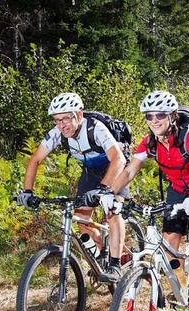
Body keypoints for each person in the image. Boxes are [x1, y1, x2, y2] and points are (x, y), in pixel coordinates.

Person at [98, 90, 189, 298]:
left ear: (172, 116)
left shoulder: (188, 137)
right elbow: (130, 170)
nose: (154, 120)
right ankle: (182, 289)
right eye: (149, 116)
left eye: (160, 115)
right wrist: (109, 192)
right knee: (169, 242)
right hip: (177, 190)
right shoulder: (149, 143)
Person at [16, 92, 128, 283]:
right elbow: (35, 159)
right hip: (91, 171)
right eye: (57, 120)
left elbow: (118, 158)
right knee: (81, 218)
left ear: (79, 115)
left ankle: (116, 265)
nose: (61, 125)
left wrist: (103, 189)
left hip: (116, 167)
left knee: (112, 210)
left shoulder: (95, 128)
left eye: (66, 118)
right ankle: (102, 252)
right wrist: (27, 191)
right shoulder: (57, 133)